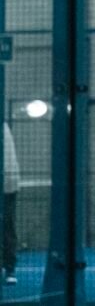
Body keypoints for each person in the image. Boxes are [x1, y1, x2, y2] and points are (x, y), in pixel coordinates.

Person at [3, 122, 18, 286]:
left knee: (8, 226)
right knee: (8, 227)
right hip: (9, 184)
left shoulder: (3, 128)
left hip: (7, 186)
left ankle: (10, 267)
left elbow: (8, 160)